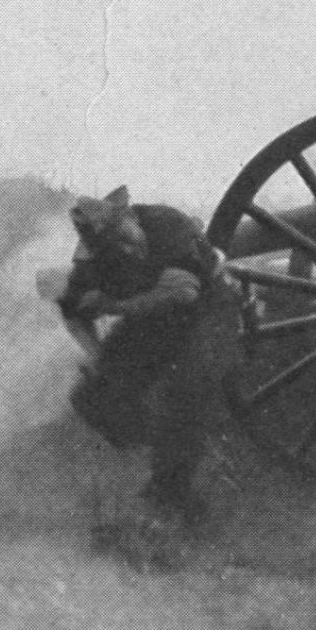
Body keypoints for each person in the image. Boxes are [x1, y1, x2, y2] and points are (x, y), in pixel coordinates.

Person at [55, 186, 240, 523]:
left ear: (130, 216)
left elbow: (184, 292)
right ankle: (160, 457)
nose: (127, 248)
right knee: (94, 395)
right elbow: (73, 311)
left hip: (209, 308)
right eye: (114, 246)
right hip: (154, 319)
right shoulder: (91, 262)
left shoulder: (168, 223)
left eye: (125, 237)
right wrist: (96, 354)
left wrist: (115, 305)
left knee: (188, 387)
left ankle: (175, 493)